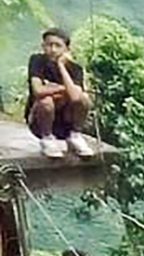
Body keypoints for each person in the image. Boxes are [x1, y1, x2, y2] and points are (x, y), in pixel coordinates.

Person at [26, 28, 93, 159]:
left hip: (65, 121)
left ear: (66, 49)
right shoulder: (37, 61)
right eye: (49, 45)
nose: (53, 49)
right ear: (43, 46)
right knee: (46, 100)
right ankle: (47, 139)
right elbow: (38, 90)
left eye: (58, 45)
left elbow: (76, 97)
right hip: (40, 123)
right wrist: (65, 89)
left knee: (84, 98)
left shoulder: (75, 69)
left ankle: (75, 136)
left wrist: (61, 67)